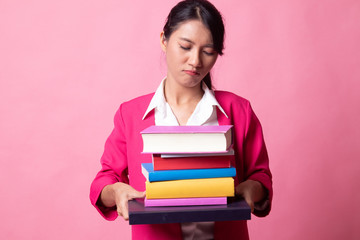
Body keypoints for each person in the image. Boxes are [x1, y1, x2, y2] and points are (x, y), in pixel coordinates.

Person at [90, 0, 273, 239]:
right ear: (164, 40)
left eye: (208, 51)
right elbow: (103, 181)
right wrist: (116, 191)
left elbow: (261, 176)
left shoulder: (238, 110)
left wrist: (253, 188)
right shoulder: (131, 114)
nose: (196, 61)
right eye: (185, 46)